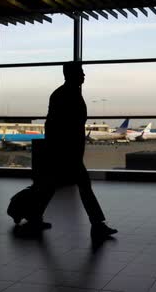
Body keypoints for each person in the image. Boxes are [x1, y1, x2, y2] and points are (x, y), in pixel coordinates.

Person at [43, 62, 117, 239]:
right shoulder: (65, 94)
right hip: (67, 150)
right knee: (83, 186)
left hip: (68, 150)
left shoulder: (66, 93)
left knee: (49, 186)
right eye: (81, 72)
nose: (84, 75)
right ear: (70, 74)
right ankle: (97, 224)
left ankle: (32, 215)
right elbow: (56, 124)